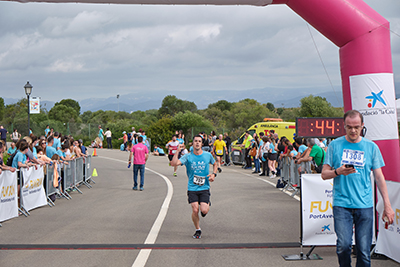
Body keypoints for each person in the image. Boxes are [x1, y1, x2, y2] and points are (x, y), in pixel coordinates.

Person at [321, 110, 394, 267]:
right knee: (344, 246)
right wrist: (337, 172)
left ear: (362, 126)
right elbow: (324, 174)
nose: (353, 131)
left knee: (363, 251)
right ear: (344, 126)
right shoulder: (334, 145)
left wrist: (387, 205)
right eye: (349, 127)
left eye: (356, 127)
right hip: (342, 204)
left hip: (364, 205)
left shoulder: (371, 147)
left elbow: (379, 177)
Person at [171, 135, 218, 239]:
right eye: (195, 141)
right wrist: (177, 151)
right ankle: (198, 229)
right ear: (192, 143)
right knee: (195, 210)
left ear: (202, 144)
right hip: (192, 187)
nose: (197, 143)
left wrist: (213, 174)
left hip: (204, 187)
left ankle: (206, 204)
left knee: (204, 210)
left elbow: (215, 164)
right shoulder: (187, 156)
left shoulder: (207, 155)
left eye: (199, 141)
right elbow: (174, 163)